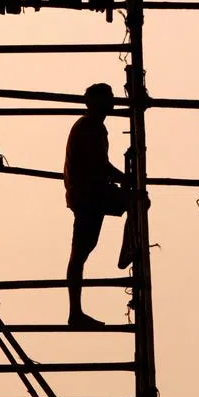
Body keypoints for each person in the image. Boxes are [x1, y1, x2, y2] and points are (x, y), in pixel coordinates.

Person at [63, 82, 127, 328]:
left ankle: (75, 312)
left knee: (82, 251)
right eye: (108, 98)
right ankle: (75, 312)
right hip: (89, 195)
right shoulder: (89, 127)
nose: (112, 102)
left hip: (89, 194)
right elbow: (99, 166)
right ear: (94, 102)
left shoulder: (93, 126)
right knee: (79, 253)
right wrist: (125, 179)